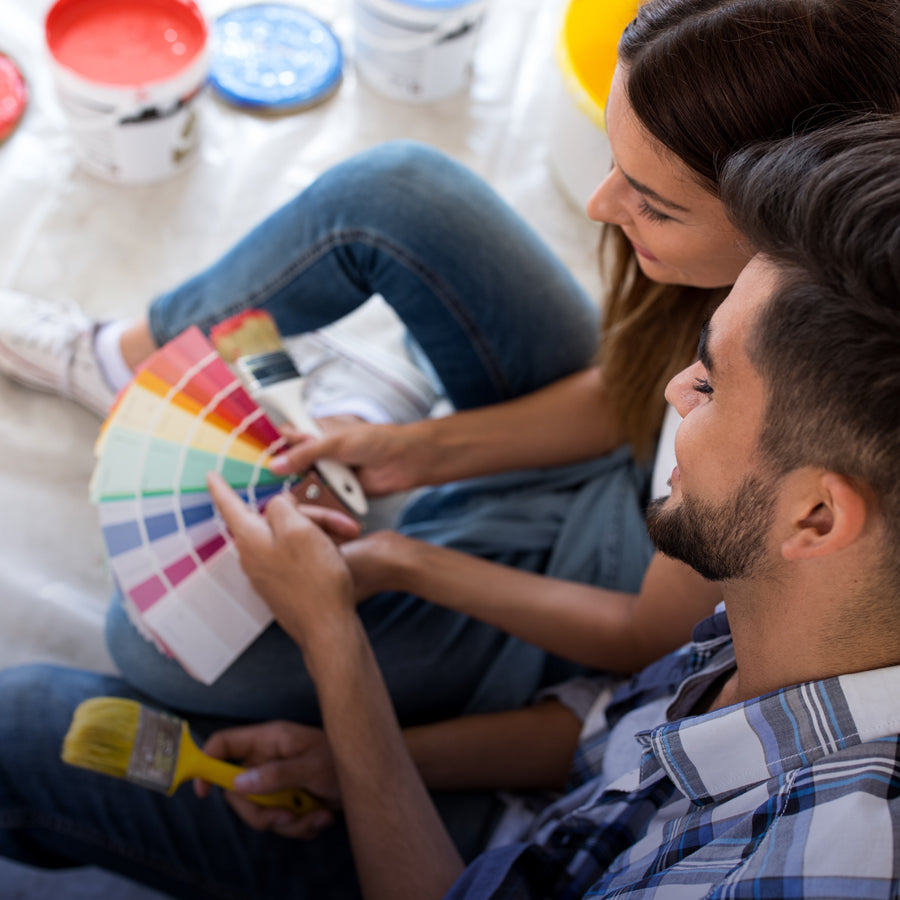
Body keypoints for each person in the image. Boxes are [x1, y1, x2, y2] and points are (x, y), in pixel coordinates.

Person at [1, 115, 898, 900]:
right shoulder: (787, 608)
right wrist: (352, 762)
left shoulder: (803, 859)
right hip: (528, 793)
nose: (669, 392)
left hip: (477, 851)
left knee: (42, 708)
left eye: (709, 384)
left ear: (817, 517)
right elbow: (610, 737)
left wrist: (334, 643)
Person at [2, 0, 899, 727]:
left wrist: (401, 562)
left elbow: (637, 635)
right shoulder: (758, 303)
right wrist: (418, 450)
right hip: (639, 483)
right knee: (394, 187)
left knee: (150, 642)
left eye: (653, 205)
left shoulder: (791, 420)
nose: (596, 206)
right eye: (615, 164)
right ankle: (123, 356)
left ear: (770, 216)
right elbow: (640, 403)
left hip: (621, 573)